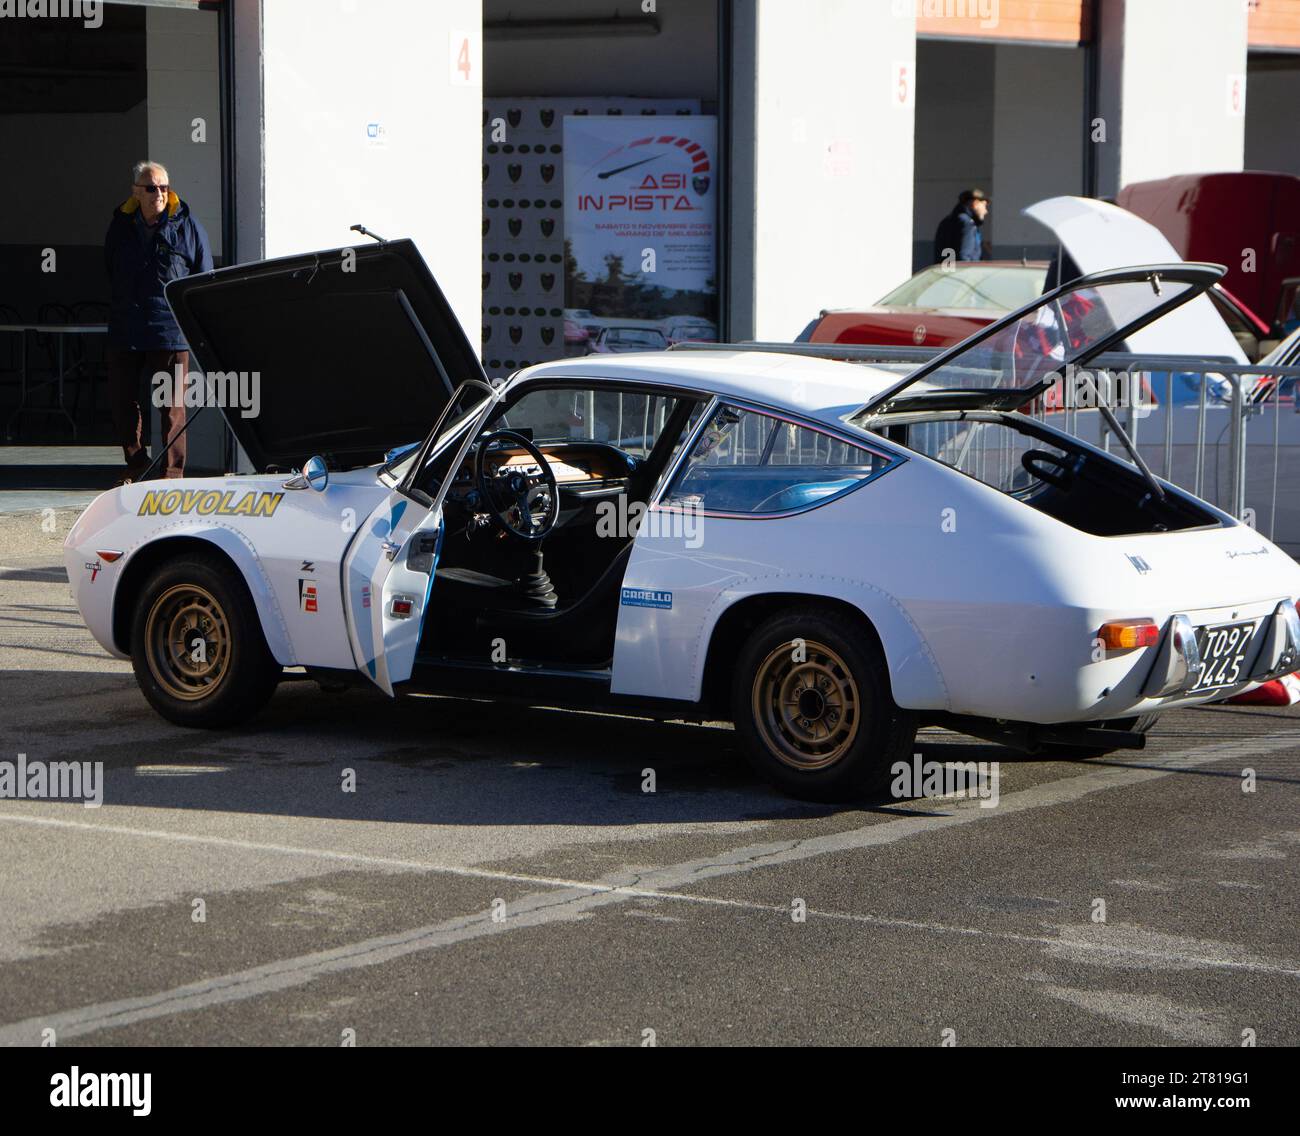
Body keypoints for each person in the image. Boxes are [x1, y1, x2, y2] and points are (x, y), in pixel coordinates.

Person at [104, 160, 212, 482]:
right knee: (123, 401)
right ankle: (137, 464)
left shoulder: (187, 225)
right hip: (127, 328)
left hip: (170, 330)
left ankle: (171, 475)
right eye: (151, 188)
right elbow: (110, 267)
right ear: (136, 192)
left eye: (164, 187)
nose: (159, 194)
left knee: (172, 408)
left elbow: (201, 275)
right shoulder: (121, 225)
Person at [933, 188, 991, 265]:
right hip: (961, 274)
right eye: (984, 205)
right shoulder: (967, 223)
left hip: (945, 271)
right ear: (975, 203)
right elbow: (964, 257)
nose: (985, 211)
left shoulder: (947, 221)